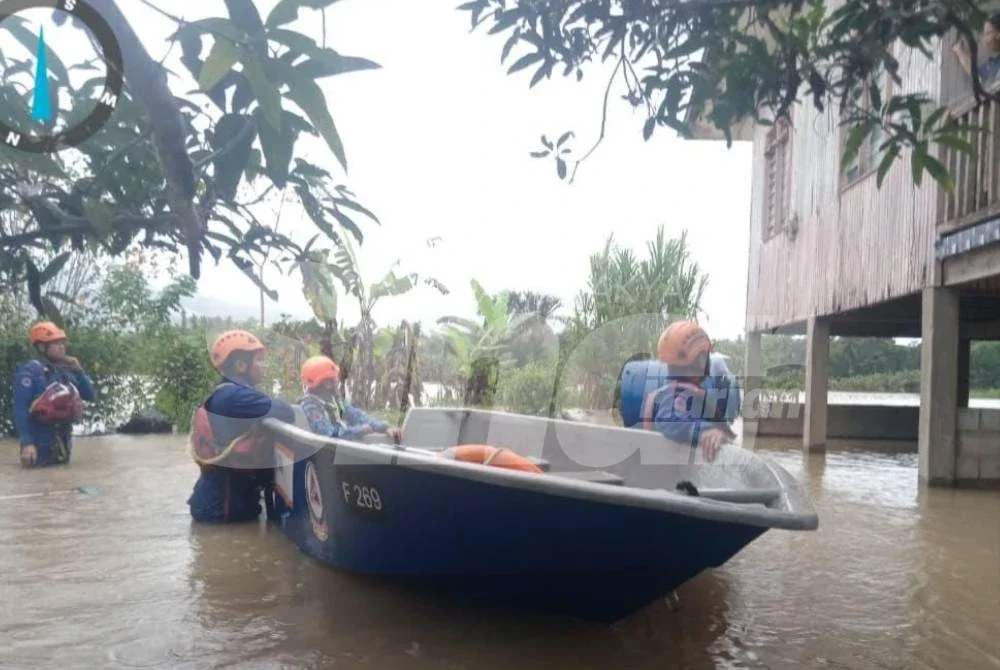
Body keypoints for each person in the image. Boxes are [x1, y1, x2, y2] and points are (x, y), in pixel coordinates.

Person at [187, 329, 297, 524]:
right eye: (258, 361)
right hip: (223, 509)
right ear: (240, 365)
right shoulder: (235, 398)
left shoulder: (224, 395)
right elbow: (285, 411)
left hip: (219, 502)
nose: (263, 366)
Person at [631, 320, 741, 461]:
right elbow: (669, 421)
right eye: (706, 355)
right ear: (700, 360)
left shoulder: (680, 392)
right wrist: (705, 432)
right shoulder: (676, 396)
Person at [13, 321, 96, 468]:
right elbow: (20, 410)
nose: (62, 347)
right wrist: (27, 443)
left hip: (63, 443)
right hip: (38, 446)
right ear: (41, 347)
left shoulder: (65, 371)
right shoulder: (29, 373)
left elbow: (90, 395)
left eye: (62, 343)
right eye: (56, 343)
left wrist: (79, 371)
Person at [298, 355, 402, 443]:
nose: (337, 381)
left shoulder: (336, 402)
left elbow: (357, 416)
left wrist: (385, 428)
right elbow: (328, 434)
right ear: (327, 384)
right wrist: (359, 430)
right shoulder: (310, 407)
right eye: (335, 378)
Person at [953, 14, 1000, 84]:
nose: (984, 39)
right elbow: (978, 76)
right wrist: (960, 52)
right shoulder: (993, 63)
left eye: (988, 33)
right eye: (984, 34)